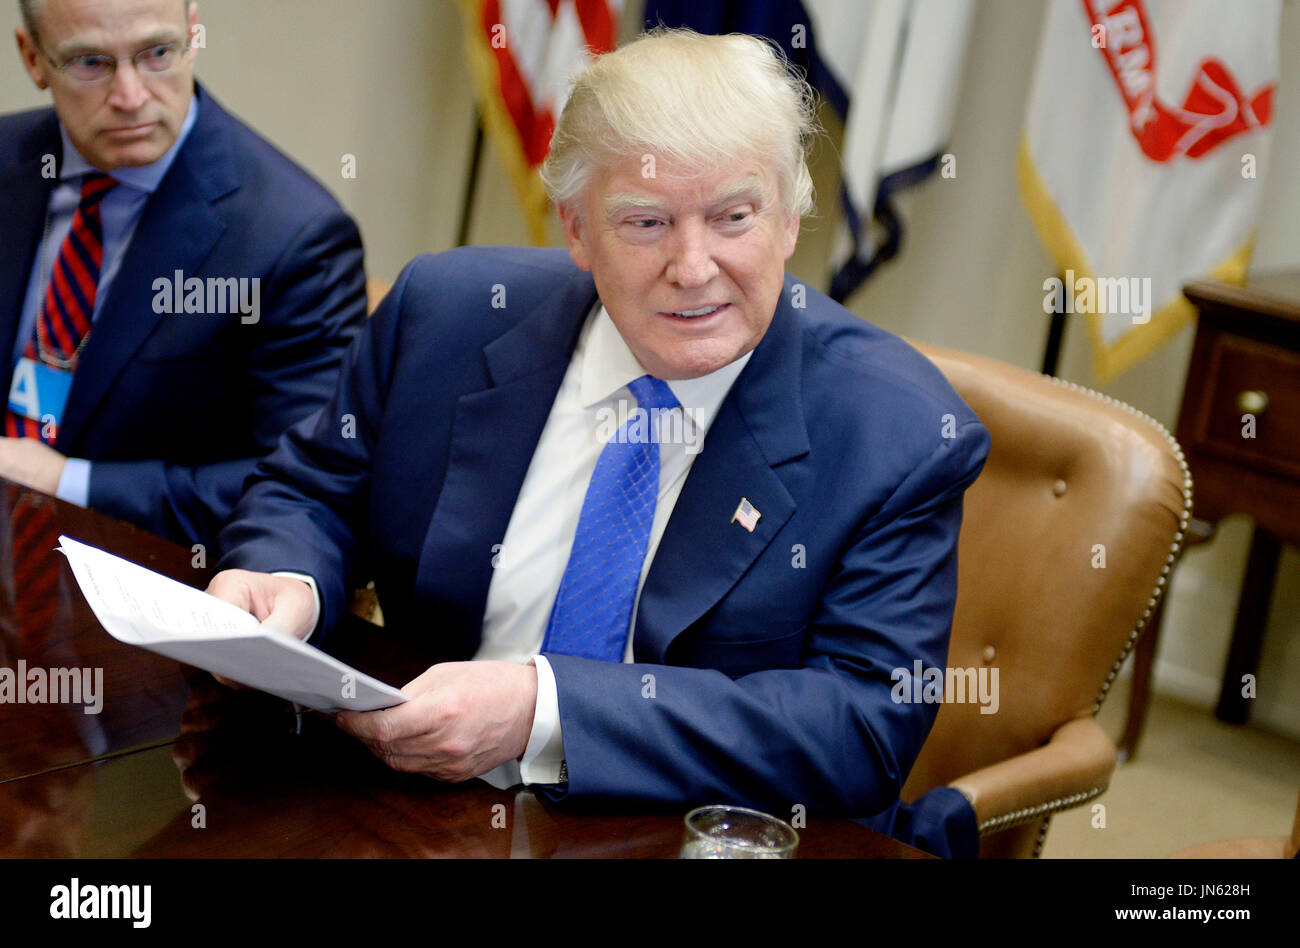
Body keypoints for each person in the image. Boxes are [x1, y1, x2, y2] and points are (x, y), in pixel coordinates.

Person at [209, 29, 991, 856]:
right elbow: (315, 489)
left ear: (790, 221)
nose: (695, 267)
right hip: (417, 809)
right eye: (647, 222)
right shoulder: (446, 314)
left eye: (734, 216)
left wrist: (543, 710)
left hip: (694, 837)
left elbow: (860, 728)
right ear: (577, 231)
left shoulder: (894, 433)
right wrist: (280, 576)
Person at [0, 0, 366, 548]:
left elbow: (304, 486)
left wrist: (67, 484)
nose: (130, 97)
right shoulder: (7, 158)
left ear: (194, 32)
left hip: (127, 574)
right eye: (90, 63)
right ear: (32, 57)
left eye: (157, 53)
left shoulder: (292, 238)